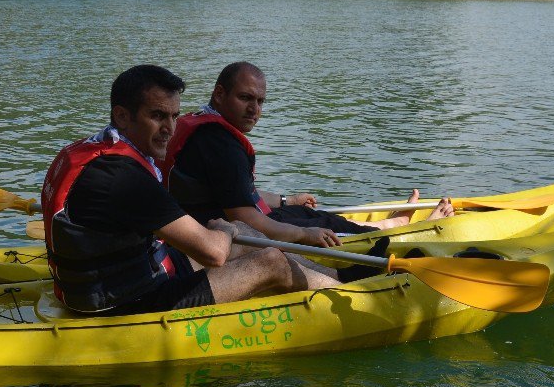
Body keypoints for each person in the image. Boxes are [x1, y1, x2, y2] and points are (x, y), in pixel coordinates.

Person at [40, 64, 340, 315]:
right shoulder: (124, 177)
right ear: (122, 115)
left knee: (246, 233)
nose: (170, 128)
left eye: (173, 116)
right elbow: (213, 254)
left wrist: (230, 230)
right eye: (157, 116)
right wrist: (221, 229)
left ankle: (340, 279)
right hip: (128, 301)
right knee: (269, 260)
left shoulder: (90, 150)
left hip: (123, 277)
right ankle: (354, 298)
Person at [160, 61, 454, 248]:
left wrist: (289, 200)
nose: (255, 110)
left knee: (310, 213)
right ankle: (396, 229)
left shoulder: (200, 124)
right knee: (321, 228)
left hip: (229, 218)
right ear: (220, 94)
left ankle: (391, 223)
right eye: (245, 98)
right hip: (226, 232)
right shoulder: (220, 143)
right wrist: (303, 236)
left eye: (261, 101)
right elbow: (243, 215)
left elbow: (236, 191)